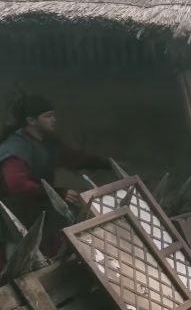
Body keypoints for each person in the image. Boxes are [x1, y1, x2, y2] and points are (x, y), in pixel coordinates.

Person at [0, 94, 111, 257]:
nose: (54, 120)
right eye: (48, 116)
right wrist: (57, 194)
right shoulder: (14, 147)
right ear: (31, 121)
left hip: (39, 209)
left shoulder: (48, 142)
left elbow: (71, 158)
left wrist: (103, 163)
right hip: (14, 215)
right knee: (21, 258)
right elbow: (17, 185)